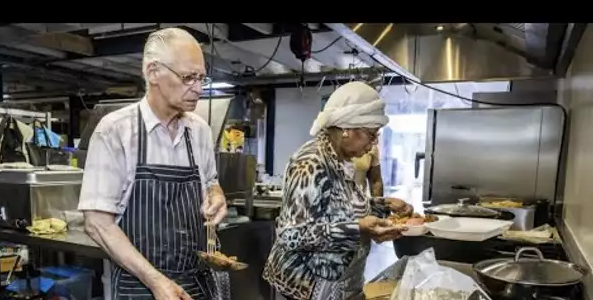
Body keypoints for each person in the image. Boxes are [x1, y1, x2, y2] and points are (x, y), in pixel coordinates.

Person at [78, 27, 228, 300]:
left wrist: (216, 195)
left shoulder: (200, 131)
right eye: (187, 77)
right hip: (140, 286)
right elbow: (97, 223)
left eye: (201, 78)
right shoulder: (116, 131)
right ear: (153, 72)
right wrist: (156, 282)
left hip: (197, 283)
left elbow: (211, 182)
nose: (197, 88)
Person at [263, 81, 414, 300]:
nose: (373, 145)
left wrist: (384, 206)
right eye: (371, 135)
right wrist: (358, 229)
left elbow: (340, 208)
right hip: (308, 285)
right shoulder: (311, 163)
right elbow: (291, 235)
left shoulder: (340, 159)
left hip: (342, 283)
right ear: (346, 129)